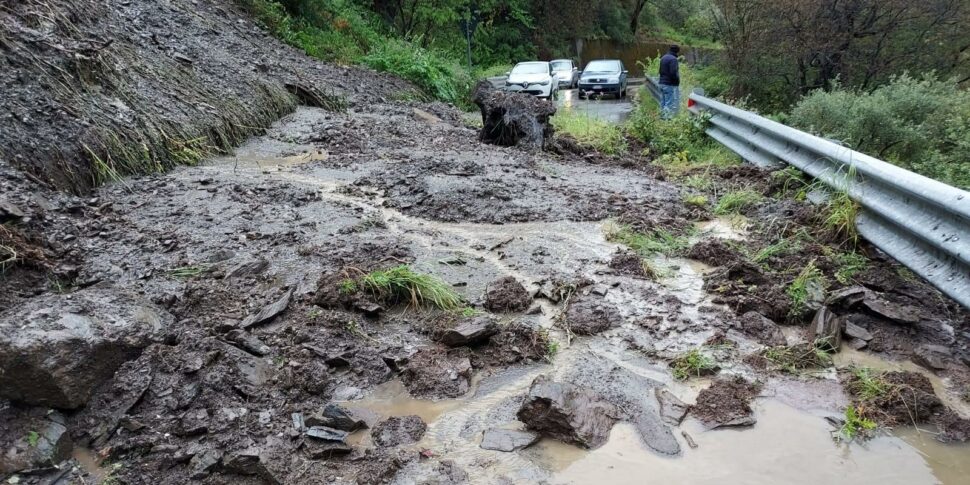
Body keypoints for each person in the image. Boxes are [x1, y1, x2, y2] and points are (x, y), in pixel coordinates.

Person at [658, 45, 681, 119]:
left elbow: (660, 71)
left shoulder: (663, 57)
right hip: (668, 84)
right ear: (677, 51)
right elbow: (673, 72)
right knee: (669, 103)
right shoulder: (673, 59)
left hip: (661, 82)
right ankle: (666, 120)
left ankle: (661, 117)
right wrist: (677, 81)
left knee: (663, 102)